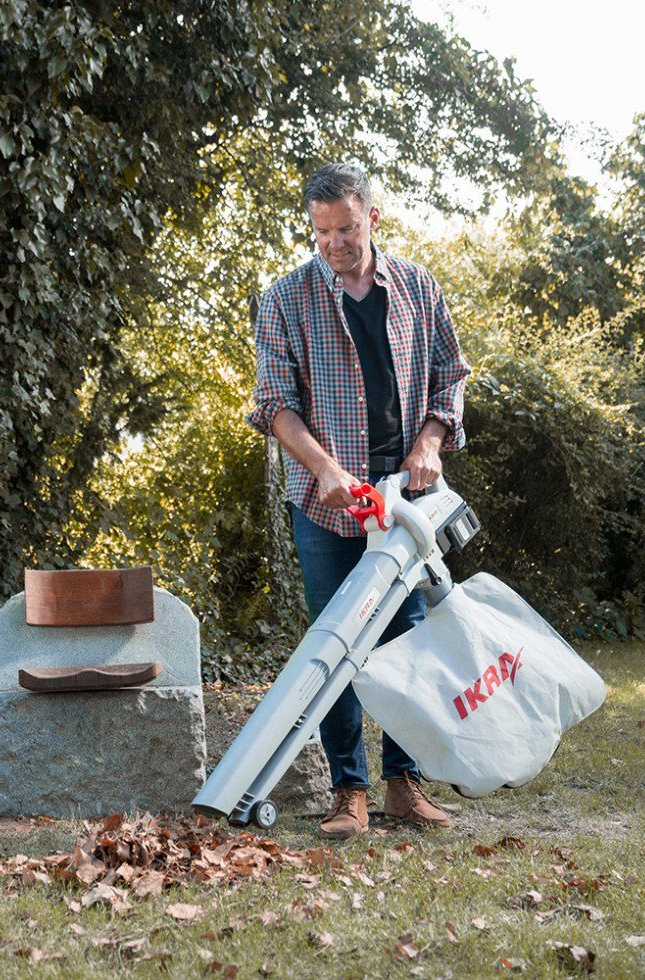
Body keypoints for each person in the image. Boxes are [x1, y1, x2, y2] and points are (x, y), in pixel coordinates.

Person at [247, 162, 471, 839]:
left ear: (372, 218)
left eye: (346, 228)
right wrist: (323, 469)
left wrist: (430, 443)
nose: (335, 243)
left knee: (408, 638)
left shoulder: (418, 288)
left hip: (405, 498)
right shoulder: (285, 299)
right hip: (328, 502)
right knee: (334, 643)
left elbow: (448, 378)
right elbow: (274, 403)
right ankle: (351, 791)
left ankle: (404, 783)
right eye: (322, 233)